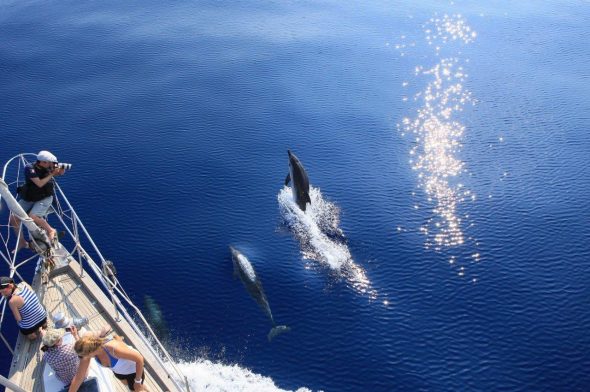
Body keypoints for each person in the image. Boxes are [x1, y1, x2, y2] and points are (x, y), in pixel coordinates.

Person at [10, 150, 66, 252]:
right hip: (30, 196)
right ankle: (22, 242)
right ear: (43, 162)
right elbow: (39, 183)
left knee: (33, 216)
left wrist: (60, 171)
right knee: (13, 218)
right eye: (49, 163)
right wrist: (52, 174)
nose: (51, 165)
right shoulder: (29, 168)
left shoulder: (48, 167)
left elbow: (60, 173)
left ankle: (51, 230)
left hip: (45, 197)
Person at [72, 335, 147, 392]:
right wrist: (76, 336)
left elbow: (140, 359)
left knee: (136, 389)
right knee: (133, 387)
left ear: (90, 352)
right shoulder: (93, 349)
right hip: (119, 373)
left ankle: (141, 385)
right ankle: (144, 387)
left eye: (81, 356)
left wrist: (137, 381)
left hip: (133, 373)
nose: (81, 358)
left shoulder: (113, 349)